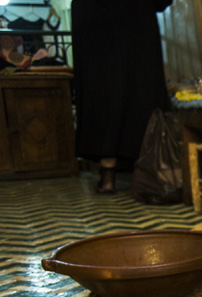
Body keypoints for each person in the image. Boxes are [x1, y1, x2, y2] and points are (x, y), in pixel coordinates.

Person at [71, 0, 172, 194]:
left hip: (94, 23)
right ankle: (146, 170)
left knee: (102, 91)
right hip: (136, 22)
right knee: (139, 91)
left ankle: (108, 173)